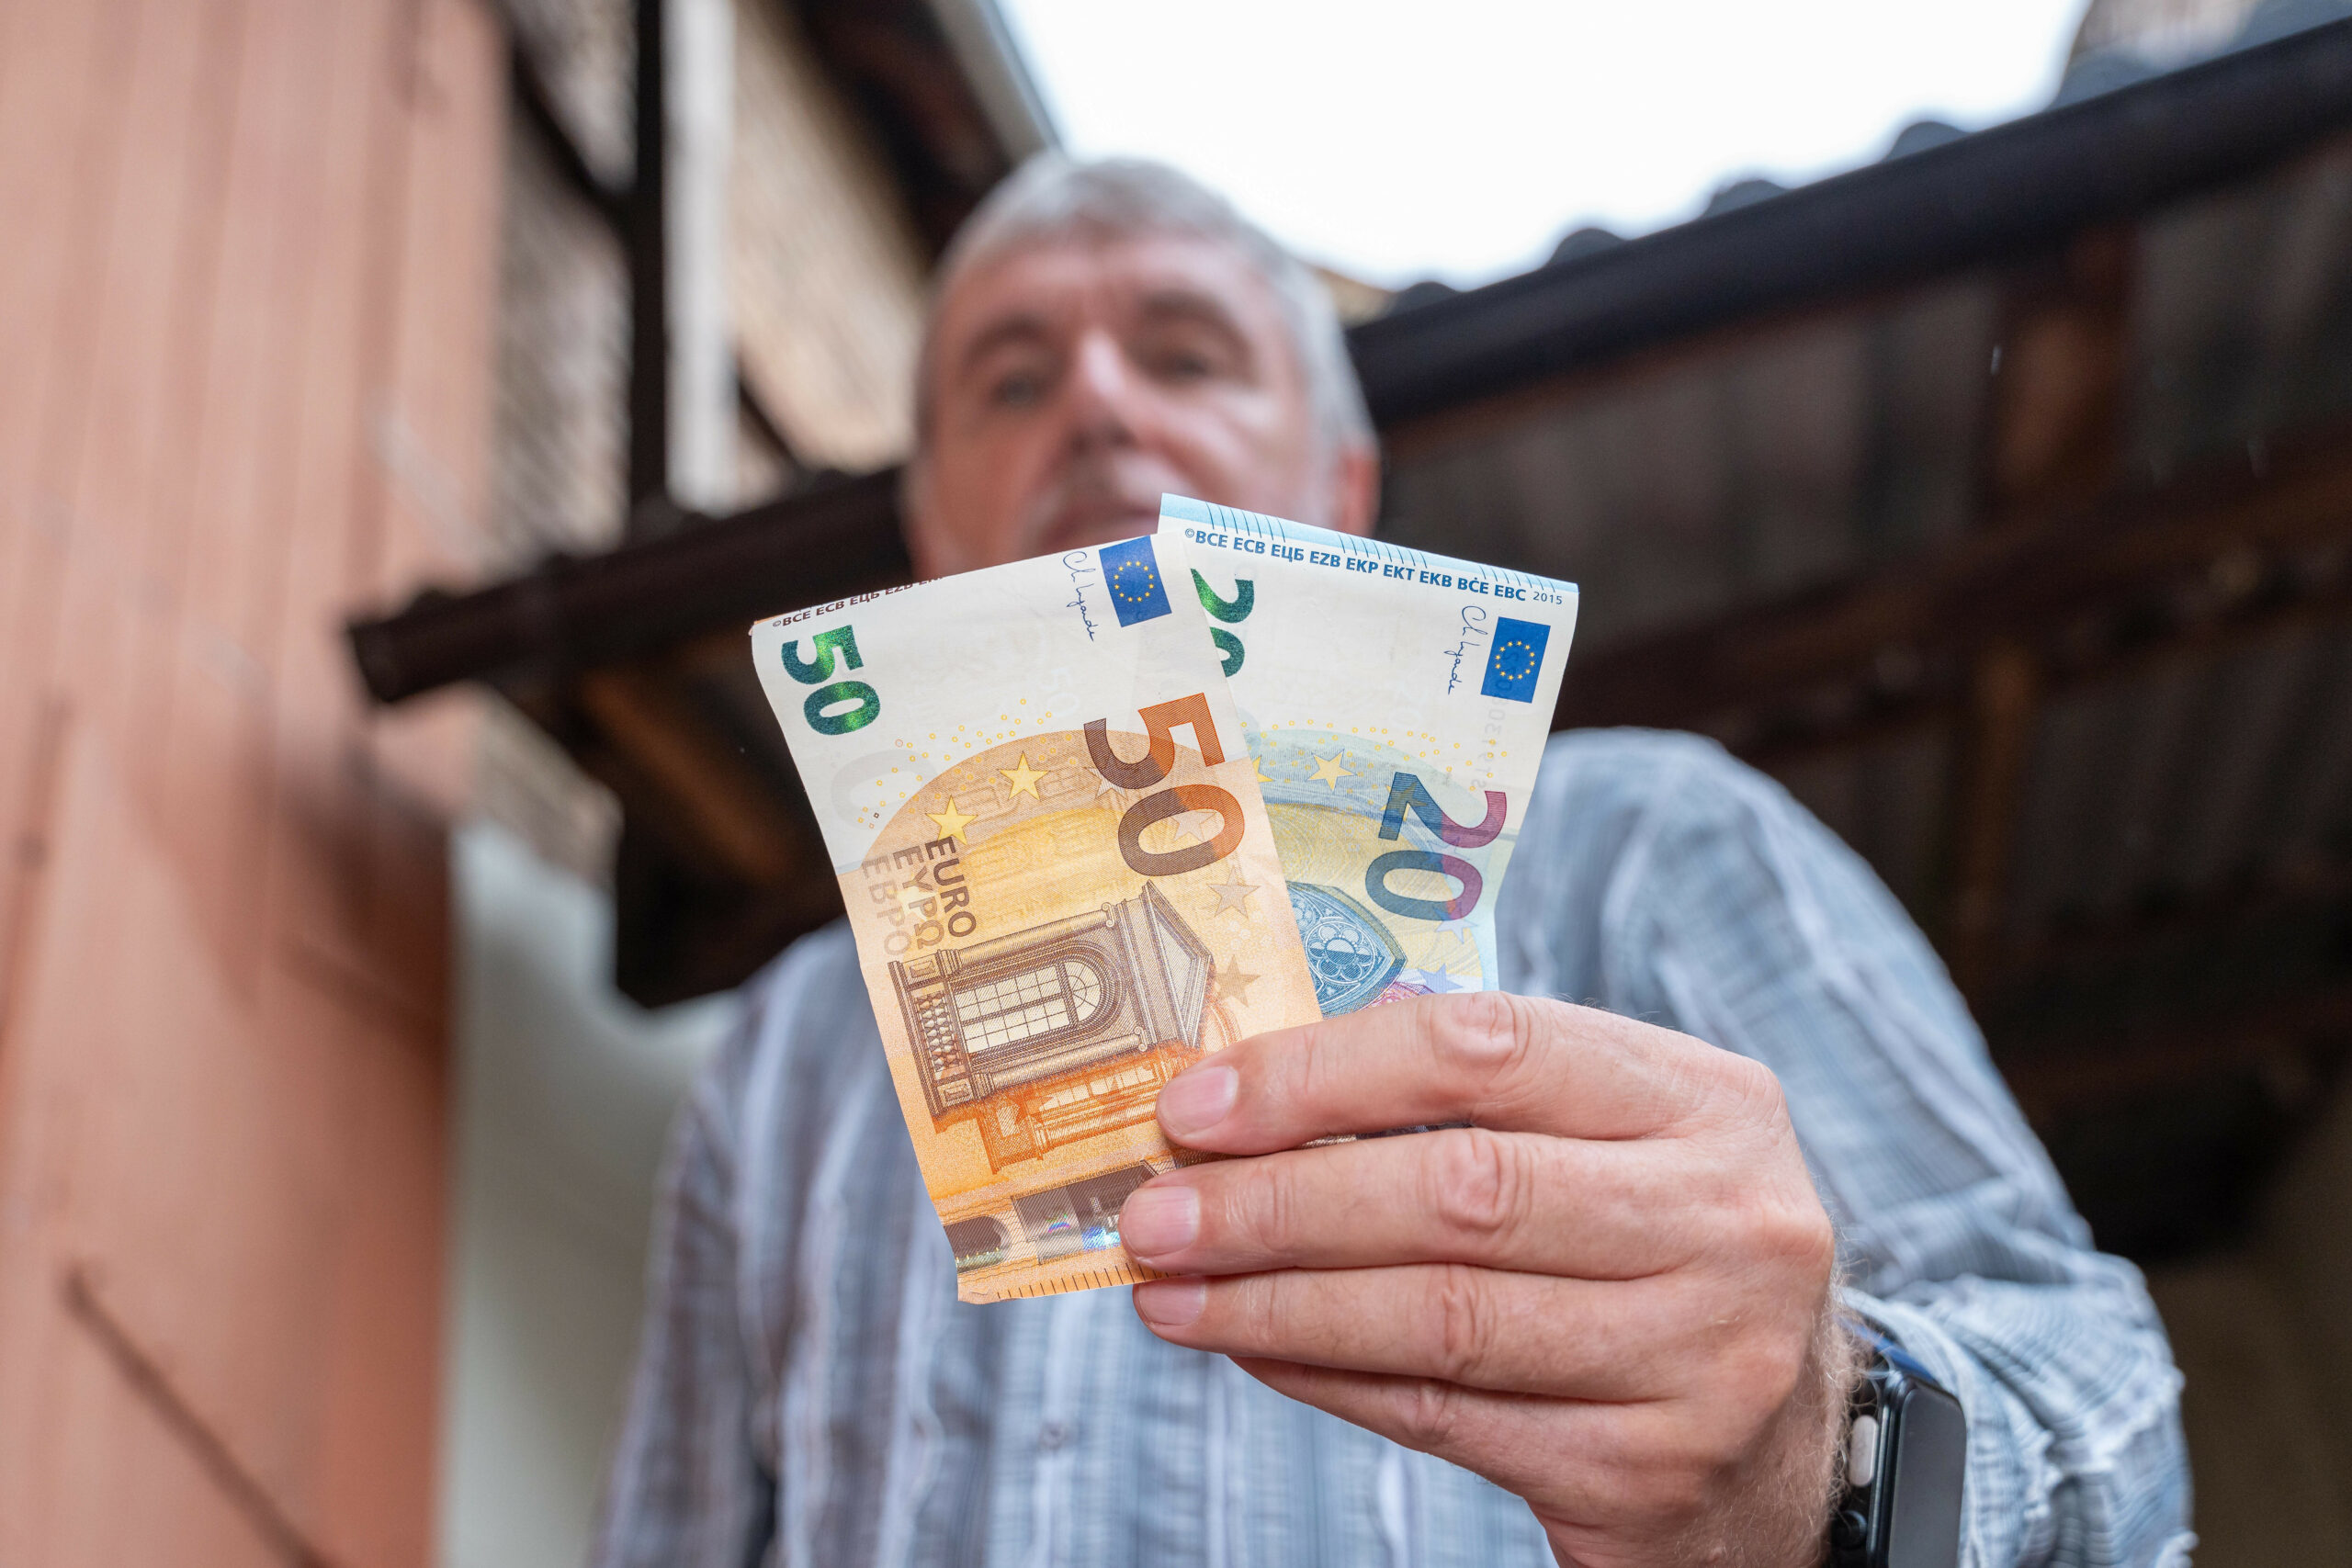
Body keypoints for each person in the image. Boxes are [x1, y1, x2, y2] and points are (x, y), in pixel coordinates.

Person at [591, 155, 2191, 1568]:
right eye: (1011, 383)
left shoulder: (1651, 846)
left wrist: (1823, 1447)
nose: (1096, 403)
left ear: (1341, 494)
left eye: (1186, 353)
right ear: (935, 539)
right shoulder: (786, 1048)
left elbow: (2112, 1415)